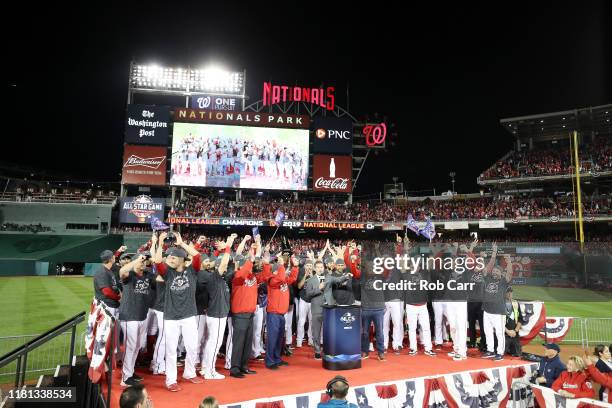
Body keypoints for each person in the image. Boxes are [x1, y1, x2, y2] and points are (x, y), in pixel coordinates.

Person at [152, 232, 204, 392]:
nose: (170, 260)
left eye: (173, 258)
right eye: (169, 258)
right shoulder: (167, 273)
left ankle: (189, 373)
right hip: (171, 317)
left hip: (189, 315)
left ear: (182, 259)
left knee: (192, 346)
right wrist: (160, 243)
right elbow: (157, 261)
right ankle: (171, 380)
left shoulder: (192, 271)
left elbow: (196, 255)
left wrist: (181, 243)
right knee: (171, 349)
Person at [118, 254, 155, 387]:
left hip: (142, 315)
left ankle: (130, 372)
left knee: (137, 346)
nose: (143, 263)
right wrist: (136, 260)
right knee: (130, 346)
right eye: (141, 261)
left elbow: (160, 278)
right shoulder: (130, 275)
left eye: (144, 261)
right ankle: (125, 378)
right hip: (129, 315)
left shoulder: (148, 275)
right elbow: (122, 271)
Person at [199, 239, 232, 380]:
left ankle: (206, 367)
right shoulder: (215, 277)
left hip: (216, 313)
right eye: (223, 267)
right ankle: (209, 371)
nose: (226, 267)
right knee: (215, 342)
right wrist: (228, 247)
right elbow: (224, 263)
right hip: (217, 314)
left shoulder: (220, 278)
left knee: (211, 342)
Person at [229, 234, 262, 378]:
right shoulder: (237, 276)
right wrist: (251, 258)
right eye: (246, 264)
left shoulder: (253, 277)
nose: (250, 266)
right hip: (240, 313)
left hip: (250, 313)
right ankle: (234, 368)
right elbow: (243, 271)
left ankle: (244, 365)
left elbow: (264, 272)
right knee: (239, 342)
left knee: (247, 342)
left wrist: (258, 245)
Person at [262, 251, 299, 369]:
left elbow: (292, 278)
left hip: (281, 314)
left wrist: (295, 267)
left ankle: (277, 358)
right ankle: (270, 361)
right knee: (272, 338)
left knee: (279, 338)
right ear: (274, 272)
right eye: (277, 270)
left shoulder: (282, 280)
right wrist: (282, 265)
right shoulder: (272, 281)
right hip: (273, 313)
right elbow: (282, 277)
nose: (280, 271)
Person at [481, 248, 512, 361]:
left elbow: (509, 273)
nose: (494, 272)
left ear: (500, 273)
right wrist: (493, 254)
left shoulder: (503, 282)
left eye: (497, 271)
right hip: (487, 310)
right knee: (488, 332)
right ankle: (490, 350)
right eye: (494, 270)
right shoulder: (488, 278)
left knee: (499, 333)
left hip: (498, 312)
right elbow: (487, 269)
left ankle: (500, 353)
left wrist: (509, 262)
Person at [305, 260, 327, 360]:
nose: (320, 269)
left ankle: (328, 349)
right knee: (316, 331)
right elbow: (308, 294)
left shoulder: (328, 278)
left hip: (328, 309)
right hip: (316, 308)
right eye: (318, 267)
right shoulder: (310, 280)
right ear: (314, 268)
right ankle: (317, 351)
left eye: (321, 267)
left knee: (328, 331)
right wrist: (319, 288)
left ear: (324, 268)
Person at [503, 286, 522, 357]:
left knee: (518, 353)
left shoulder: (516, 303)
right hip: (503, 333)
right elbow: (497, 322)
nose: (509, 294)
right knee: (500, 352)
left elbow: (520, 319)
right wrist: (508, 331)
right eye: (507, 292)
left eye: (511, 292)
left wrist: (515, 331)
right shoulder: (499, 304)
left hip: (514, 334)